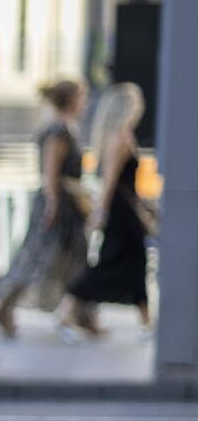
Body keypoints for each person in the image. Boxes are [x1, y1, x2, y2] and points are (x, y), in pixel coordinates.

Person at [0, 80, 90, 339]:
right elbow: (51, 173)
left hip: (66, 205)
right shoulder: (58, 131)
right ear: (72, 101)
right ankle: (5, 305)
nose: (85, 103)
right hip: (58, 206)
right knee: (39, 257)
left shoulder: (65, 128)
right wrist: (53, 205)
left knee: (73, 259)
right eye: (82, 97)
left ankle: (84, 314)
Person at [58, 82, 152, 341]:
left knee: (135, 264)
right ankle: (67, 309)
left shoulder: (123, 135)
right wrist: (100, 212)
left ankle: (147, 321)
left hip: (126, 209)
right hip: (120, 212)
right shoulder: (118, 138)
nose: (141, 107)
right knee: (111, 264)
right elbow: (109, 181)